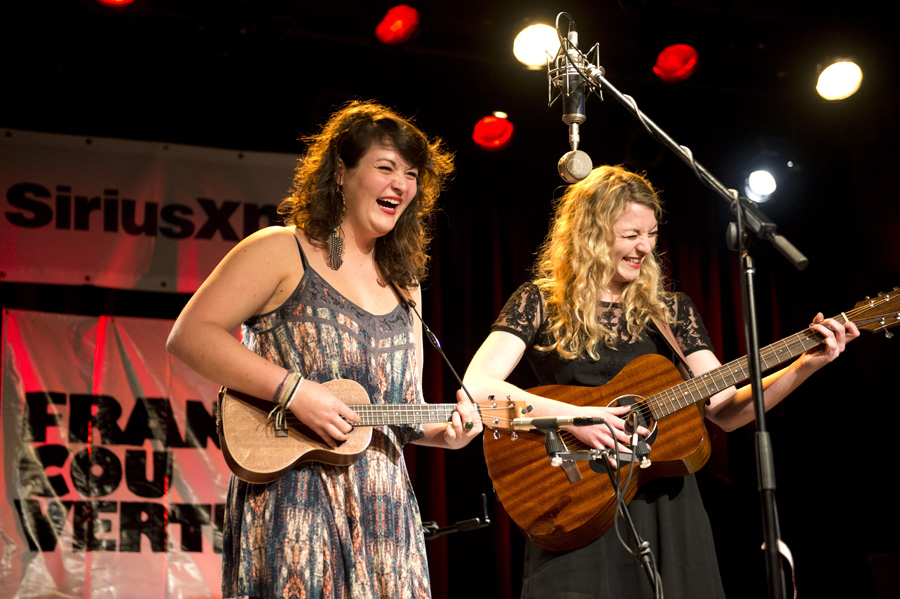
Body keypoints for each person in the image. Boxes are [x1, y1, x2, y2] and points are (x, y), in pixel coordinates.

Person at [462, 165, 858, 598]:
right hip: (577, 502)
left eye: (651, 234)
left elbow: (725, 410)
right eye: (631, 234)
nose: (645, 247)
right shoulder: (539, 301)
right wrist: (575, 416)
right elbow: (478, 387)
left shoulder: (672, 312)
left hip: (669, 509)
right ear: (590, 233)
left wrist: (804, 365)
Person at [166, 100, 483, 598]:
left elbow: (405, 410)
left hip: (386, 514)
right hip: (295, 504)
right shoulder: (279, 249)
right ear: (341, 173)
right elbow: (191, 335)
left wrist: (449, 434)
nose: (400, 184)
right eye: (385, 168)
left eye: (411, 174)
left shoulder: (405, 284)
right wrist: (294, 391)